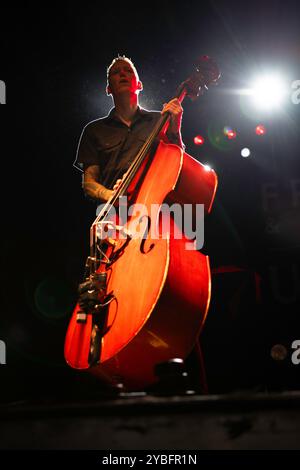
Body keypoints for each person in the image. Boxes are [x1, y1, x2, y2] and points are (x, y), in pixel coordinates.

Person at [74, 55, 185, 203]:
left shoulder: (160, 121)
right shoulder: (94, 130)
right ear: (108, 89)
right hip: (113, 216)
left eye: (128, 71)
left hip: (154, 206)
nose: (122, 74)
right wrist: (110, 196)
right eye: (115, 72)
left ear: (139, 85)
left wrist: (175, 128)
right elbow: (89, 183)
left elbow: (178, 166)